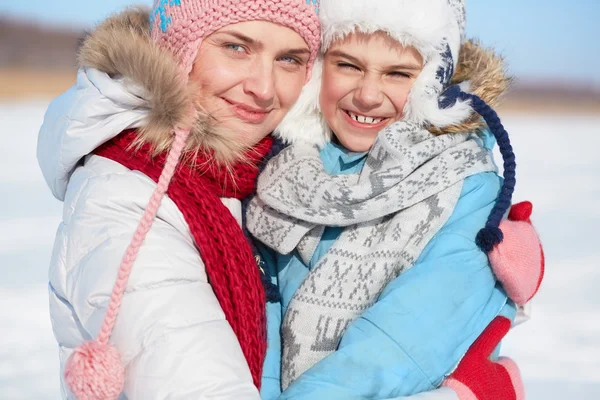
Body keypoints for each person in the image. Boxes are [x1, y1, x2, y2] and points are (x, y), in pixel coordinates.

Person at [247, 0, 543, 399]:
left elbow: (397, 349)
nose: (368, 95)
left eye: (398, 73)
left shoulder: (467, 189)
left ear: (432, 85)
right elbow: (259, 320)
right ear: (317, 69)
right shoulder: (281, 175)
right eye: (348, 65)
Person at [36, 1, 320, 399]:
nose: (264, 87)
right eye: (236, 48)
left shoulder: (264, 180)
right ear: (177, 50)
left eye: (289, 59)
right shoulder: (126, 197)